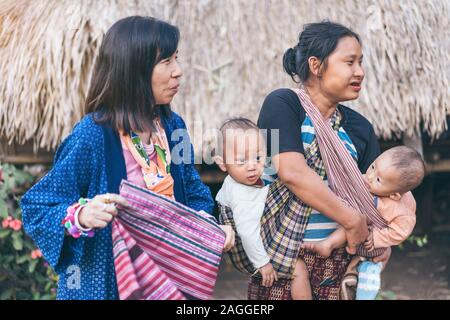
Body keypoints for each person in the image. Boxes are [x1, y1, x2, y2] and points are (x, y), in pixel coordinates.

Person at [20, 16, 234, 300]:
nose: (179, 71)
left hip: (169, 281)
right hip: (111, 285)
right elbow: (38, 207)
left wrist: (208, 225)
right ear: (135, 69)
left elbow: (194, 191)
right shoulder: (93, 135)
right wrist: (82, 214)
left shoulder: (174, 128)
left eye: (177, 59)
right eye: (167, 61)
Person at [249, 21, 391, 300]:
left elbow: (378, 200)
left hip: (339, 262)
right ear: (316, 66)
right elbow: (291, 172)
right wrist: (352, 220)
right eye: (350, 62)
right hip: (284, 261)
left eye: (361, 62)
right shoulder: (283, 105)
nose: (360, 72)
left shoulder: (359, 129)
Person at [301, 145, 425, 299]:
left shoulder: (400, 211)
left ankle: (362, 288)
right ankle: (351, 274)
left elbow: (401, 231)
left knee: (360, 231)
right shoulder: (369, 180)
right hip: (360, 235)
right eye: (373, 167)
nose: (370, 176)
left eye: (378, 180)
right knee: (355, 220)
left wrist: (379, 238)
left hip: (373, 244)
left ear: (394, 195)